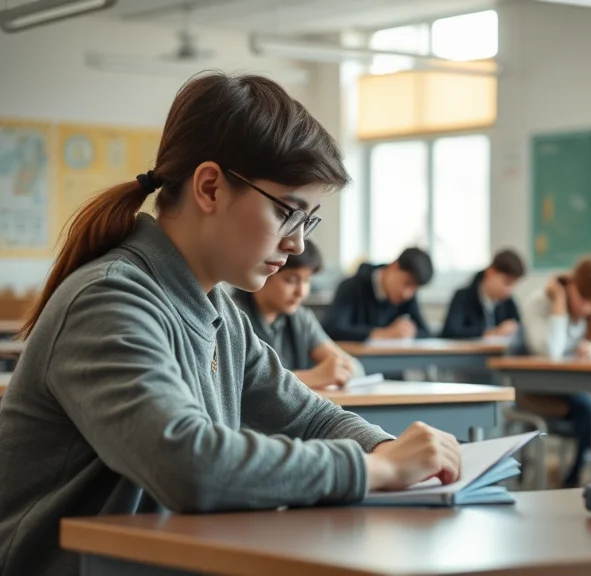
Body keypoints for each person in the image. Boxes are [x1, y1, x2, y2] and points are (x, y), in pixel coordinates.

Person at [0, 73, 460, 576]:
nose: (298, 244)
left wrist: (386, 447)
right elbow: (188, 466)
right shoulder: (109, 299)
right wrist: (380, 469)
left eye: (310, 220)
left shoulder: (218, 311)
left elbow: (308, 419)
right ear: (210, 187)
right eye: (289, 212)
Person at [519, 256, 591, 486]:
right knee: (590, 409)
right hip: (535, 391)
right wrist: (559, 304)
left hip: (573, 392)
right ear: (571, 284)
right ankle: (574, 481)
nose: (587, 307)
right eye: (583, 299)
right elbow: (551, 354)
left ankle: (587, 476)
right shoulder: (538, 304)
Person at [233, 240, 365, 389]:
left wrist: (338, 369)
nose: (301, 292)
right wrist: (311, 377)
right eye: (290, 280)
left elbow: (354, 368)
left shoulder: (299, 317)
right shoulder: (232, 316)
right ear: (263, 273)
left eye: (307, 281)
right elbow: (235, 384)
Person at [321, 248, 433, 342]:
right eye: (406, 283)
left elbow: (426, 332)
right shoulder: (351, 287)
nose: (407, 293)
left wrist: (408, 332)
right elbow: (333, 329)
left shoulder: (407, 297)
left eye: (414, 289)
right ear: (394, 266)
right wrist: (383, 333)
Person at [441, 249, 526, 340]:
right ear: (490, 272)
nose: (509, 290)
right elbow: (450, 332)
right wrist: (492, 333)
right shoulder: (462, 297)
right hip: (469, 353)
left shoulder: (508, 302)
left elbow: (521, 329)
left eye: (513, 285)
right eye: (507, 283)